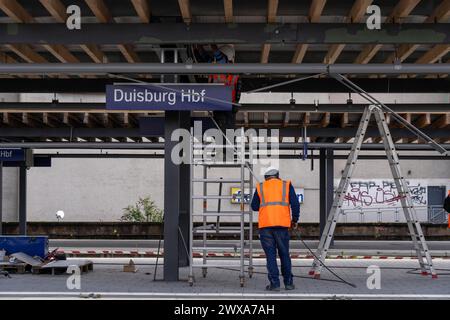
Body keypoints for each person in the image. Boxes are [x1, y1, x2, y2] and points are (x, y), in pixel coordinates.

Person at [250, 167, 300, 291]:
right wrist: (294, 220)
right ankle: (288, 283)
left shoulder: (261, 187)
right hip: (282, 226)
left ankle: (274, 284)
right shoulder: (286, 185)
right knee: (284, 254)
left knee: (270, 256)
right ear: (278, 176)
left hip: (266, 226)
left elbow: (254, 206)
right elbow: (295, 204)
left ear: (266, 178)